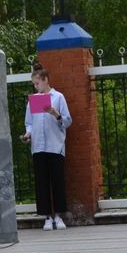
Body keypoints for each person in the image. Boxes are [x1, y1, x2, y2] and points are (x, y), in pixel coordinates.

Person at [20, 64, 73, 231]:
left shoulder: (58, 97)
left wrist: (55, 114)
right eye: (34, 84)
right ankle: (47, 217)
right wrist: (28, 134)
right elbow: (29, 123)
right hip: (38, 147)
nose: (36, 87)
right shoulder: (33, 101)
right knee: (41, 183)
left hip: (55, 146)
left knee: (57, 181)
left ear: (45, 80)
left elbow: (67, 121)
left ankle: (59, 216)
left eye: (37, 83)